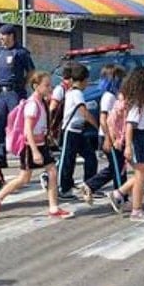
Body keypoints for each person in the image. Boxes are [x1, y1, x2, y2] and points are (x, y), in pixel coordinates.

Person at [0, 71, 73, 220]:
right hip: (30, 146)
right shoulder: (32, 104)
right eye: (46, 85)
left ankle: (53, 208)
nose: (49, 88)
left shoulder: (42, 102)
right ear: (36, 86)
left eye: (50, 85)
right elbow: (27, 130)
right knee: (24, 178)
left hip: (41, 144)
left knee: (52, 172)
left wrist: (47, 138)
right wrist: (35, 151)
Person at [106, 67, 144, 221]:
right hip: (136, 140)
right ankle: (136, 210)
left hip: (141, 139)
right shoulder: (137, 105)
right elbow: (129, 126)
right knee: (141, 175)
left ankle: (119, 193)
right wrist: (128, 147)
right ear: (143, 86)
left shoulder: (140, 100)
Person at [78, 64, 127, 204]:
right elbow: (103, 119)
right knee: (118, 168)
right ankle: (120, 196)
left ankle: (90, 185)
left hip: (115, 135)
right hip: (108, 136)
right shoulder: (108, 97)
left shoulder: (115, 96)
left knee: (117, 166)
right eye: (121, 78)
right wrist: (108, 138)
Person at [52, 63, 98, 199]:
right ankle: (63, 188)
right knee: (67, 161)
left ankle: (89, 185)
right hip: (70, 131)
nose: (88, 83)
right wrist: (97, 126)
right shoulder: (76, 93)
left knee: (91, 157)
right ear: (83, 80)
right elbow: (84, 112)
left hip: (79, 132)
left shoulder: (74, 92)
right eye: (87, 80)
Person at [0, 24, 35, 167]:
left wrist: (23, 84)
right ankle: (0, 156)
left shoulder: (21, 52)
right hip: (0, 94)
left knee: (17, 124)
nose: (1, 38)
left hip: (15, 93)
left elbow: (31, 72)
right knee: (0, 125)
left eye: (3, 35)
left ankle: (25, 154)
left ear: (11, 36)